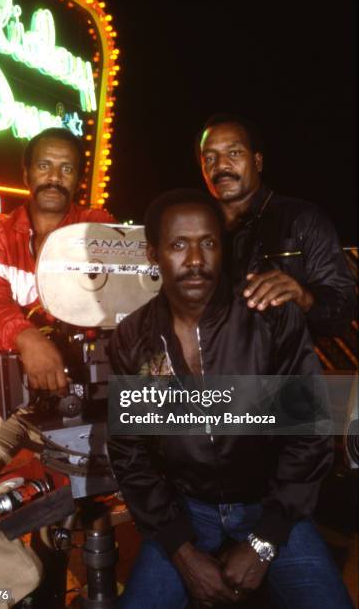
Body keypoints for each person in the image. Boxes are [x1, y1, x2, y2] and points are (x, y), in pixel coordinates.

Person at [107, 189, 354, 608]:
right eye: (179, 245)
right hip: (186, 509)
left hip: (270, 504)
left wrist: (264, 541)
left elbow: (307, 435)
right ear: (153, 254)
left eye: (208, 243)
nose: (196, 260)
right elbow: (131, 454)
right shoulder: (133, 338)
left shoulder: (269, 313)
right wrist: (181, 552)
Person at [0, 127, 114, 609]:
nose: (54, 177)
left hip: (90, 410)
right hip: (17, 405)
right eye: (44, 166)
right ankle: (17, 582)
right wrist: (28, 338)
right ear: (26, 173)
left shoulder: (99, 227)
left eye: (65, 167)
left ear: (79, 177)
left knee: (64, 511)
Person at [197, 113, 356, 338]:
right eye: (210, 158)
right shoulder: (194, 232)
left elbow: (344, 311)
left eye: (234, 153)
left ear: (258, 161)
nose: (221, 165)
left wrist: (302, 297)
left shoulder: (304, 220)